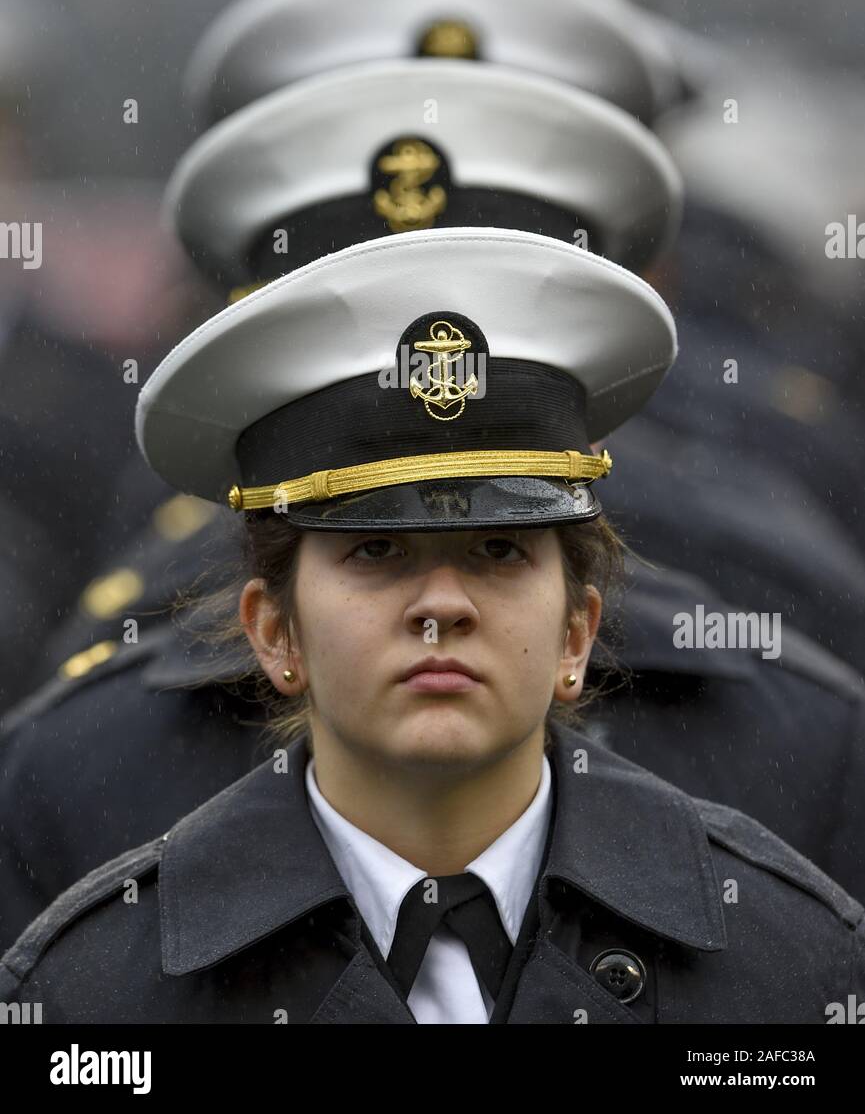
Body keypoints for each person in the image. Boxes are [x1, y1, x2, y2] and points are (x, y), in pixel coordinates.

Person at [2, 228, 862, 1024]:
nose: (441, 603)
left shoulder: (788, 969)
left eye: (497, 549)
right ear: (274, 632)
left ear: (577, 630)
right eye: (375, 551)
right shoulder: (101, 993)